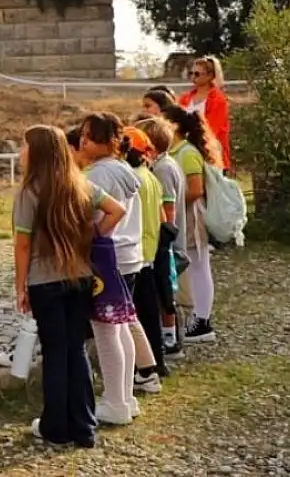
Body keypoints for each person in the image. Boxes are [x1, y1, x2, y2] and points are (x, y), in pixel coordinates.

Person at [13, 125, 124, 448]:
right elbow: (117, 210)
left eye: (25, 145)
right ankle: (85, 426)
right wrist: (91, 238)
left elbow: (23, 244)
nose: (21, 151)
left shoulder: (30, 192)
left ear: (38, 153)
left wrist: (20, 287)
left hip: (44, 281)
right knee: (76, 349)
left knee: (54, 352)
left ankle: (55, 427)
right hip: (80, 276)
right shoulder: (82, 185)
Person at [77, 113, 144, 426]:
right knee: (121, 326)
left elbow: (97, 217)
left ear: (107, 141)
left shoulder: (99, 175)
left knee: (106, 330)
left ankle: (114, 400)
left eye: (88, 136)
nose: (82, 141)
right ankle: (126, 396)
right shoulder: (125, 170)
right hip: (130, 254)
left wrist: (94, 236)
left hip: (108, 256)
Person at [161, 105, 221, 344]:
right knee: (193, 266)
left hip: (191, 216)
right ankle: (196, 317)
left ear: (173, 125)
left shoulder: (186, 153)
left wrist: (171, 204)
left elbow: (196, 190)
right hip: (182, 214)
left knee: (198, 266)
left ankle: (202, 322)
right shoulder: (176, 151)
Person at [137, 116, 189, 358]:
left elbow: (168, 209)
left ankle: (170, 340)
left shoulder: (163, 169)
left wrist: (162, 236)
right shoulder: (164, 165)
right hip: (163, 239)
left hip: (163, 240)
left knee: (164, 291)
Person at [123, 127, 169, 388]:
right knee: (149, 313)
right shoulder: (149, 177)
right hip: (150, 252)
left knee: (134, 316)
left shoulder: (133, 180)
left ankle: (144, 369)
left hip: (136, 254)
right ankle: (156, 362)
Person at [177, 56, 232, 173]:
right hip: (188, 151)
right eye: (191, 73)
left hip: (211, 155)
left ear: (210, 76)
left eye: (197, 74)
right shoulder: (185, 98)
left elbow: (212, 130)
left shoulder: (219, 100)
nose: (193, 77)